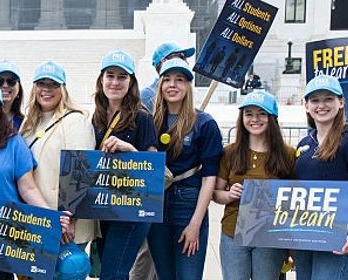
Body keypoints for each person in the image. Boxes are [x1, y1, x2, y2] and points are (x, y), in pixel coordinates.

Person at [0, 81, 72, 279]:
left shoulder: (13, 142)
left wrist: (52, 217)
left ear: (1, 110)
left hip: (1, 231)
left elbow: (28, 188)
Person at [146, 58, 223, 280]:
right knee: (164, 275)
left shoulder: (204, 123)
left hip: (188, 203)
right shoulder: (150, 121)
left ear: (188, 86)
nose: (173, 85)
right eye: (167, 79)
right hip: (157, 204)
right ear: (160, 85)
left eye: (179, 80)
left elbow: (210, 177)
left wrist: (195, 224)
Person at [292, 75, 348, 280]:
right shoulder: (303, 143)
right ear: (306, 106)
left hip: (337, 234)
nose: (322, 105)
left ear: (341, 102)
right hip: (304, 233)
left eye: (328, 99)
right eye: (315, 100)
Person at [89, 51, 158, 280]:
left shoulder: (142, 118)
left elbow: (153, 172)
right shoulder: (97, 116)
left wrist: (131, 150)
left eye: (122, 77)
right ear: (101, 79)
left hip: (131, 211)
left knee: (113, 273)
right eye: (110, 75)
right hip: (103, 208)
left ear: (131, 82)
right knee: (109, 273)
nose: (115, 82)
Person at [213, 90, 294, 280]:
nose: (254, 119)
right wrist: (230, 194)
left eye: (261, 114)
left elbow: (295, 199)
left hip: (270, 235)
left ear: (272, 118)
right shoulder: (230, 153)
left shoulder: (288, 154)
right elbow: (216, 193)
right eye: (249, 114)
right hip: (233, 233)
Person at [19, 61, 98, 249]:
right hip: (36, 220)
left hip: (64, 224)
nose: (47, 89)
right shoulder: (28, 123)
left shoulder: (76, 121)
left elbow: (82, 173)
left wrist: (71, 218)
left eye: (53, 84)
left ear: (63, 89)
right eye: (41, 83)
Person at [140, 42, 196, 112]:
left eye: (179, 80)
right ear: (164, 62)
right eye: (182, 57)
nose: (187, 63)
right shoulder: (146, 96)